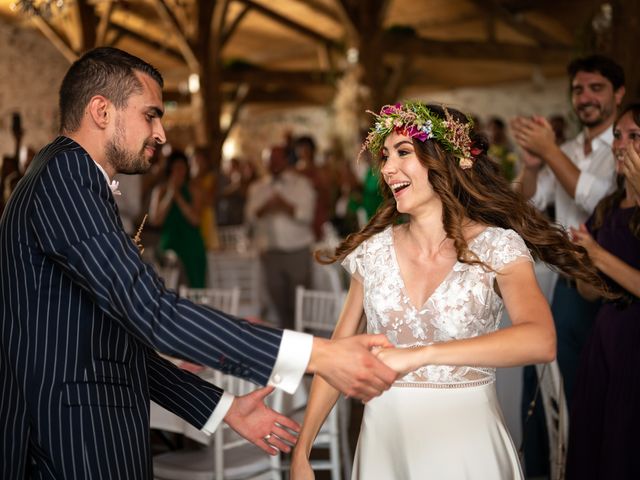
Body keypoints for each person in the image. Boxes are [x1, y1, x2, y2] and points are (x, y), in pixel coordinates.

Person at [0, 47, 398, 479]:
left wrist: (223, 407)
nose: (162, 134)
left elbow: (107, 341)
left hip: (84, 434)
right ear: (101, 111)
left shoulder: (68, 176)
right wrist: (317, 354)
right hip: (70, 441)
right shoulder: (67, 177)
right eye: (151, 115)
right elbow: (152, 312)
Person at [290, 101, 608, 479]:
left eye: (403, 152)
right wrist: (302, 450)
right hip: (386, 445)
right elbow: (334, 356)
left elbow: (541, 340)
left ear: (445, 158)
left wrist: (422, 355)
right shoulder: (372, 254)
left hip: (468, 446)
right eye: (385, 156)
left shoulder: (497, 247)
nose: (388, 169)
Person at [510, 55, 625, 405]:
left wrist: (549, 151)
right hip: (568, 285)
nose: (586, 97)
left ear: (619, 94)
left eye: (596, 88)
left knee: (592, 395)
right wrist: (531, 166)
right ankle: (546, 462)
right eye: (578, 90)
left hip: (614, 288)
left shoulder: (624, 148)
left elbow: (601, 202)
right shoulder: (568, 150)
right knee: (545, 384)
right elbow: (527, 203)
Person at [566, 103, 640, 479]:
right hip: (606, 339)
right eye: (618, 135)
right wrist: (581, 262)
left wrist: (597, 254)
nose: (621, 145)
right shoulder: (608, 208)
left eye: (634, 136)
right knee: (597, 443)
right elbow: (590, 293)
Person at [245, 145, 316, 329]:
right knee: (278, 307)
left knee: (301, 306)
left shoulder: (300, 184)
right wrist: (264, 208)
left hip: (297, 252)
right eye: (269, 159)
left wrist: (285, 206)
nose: (273, 163)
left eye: (277, 158)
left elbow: (307, 215)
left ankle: (309, 348)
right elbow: (250, 218)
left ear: (285, 160)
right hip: (270, 253)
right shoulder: (257, 187)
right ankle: (287, 349)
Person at [149, 150, 207, 287]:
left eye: (182, 168)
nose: (179, 172)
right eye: (176, 168)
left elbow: (195, 220)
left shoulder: (194, 189)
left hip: (192, 247)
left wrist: (178, 197)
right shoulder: (160, 191)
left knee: (194, 291)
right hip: (170, 246)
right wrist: (170, 194)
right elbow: (155, 220)